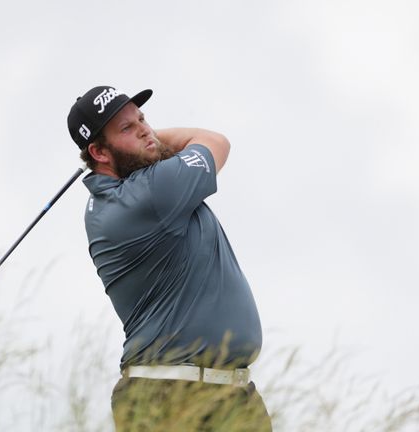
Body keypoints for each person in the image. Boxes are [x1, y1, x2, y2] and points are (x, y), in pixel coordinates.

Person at [67, 86, 272, 431]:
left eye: (143, 119)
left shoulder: (119, 196)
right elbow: (213, 141)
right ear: (99, 151)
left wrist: (138, 143)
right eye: (127, 129)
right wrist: (154, 143)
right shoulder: (149, 193)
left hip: (227, 393)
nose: (146, 129)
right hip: (170, 394)